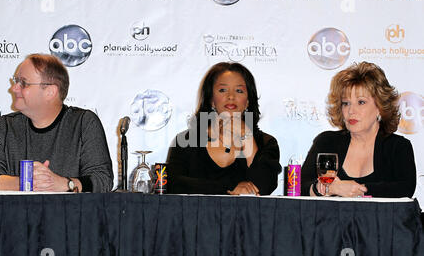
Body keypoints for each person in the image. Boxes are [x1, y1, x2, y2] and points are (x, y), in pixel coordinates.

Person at [0, 53, 113, 193]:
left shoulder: (84, 123)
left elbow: (103, 180)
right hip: (14, 214)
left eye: (23, 83)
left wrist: (65, 184)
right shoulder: (2, 127)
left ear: (50, 92)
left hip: (71, 214)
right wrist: (31, 182)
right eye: (16, 81)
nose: (14, 88)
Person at [302, 61, 416, 198]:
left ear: (380, 107)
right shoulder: (327, 142)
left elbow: (405, 189)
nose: (351, 111)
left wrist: (353, 190)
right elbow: (300, 187)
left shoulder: (398, 147)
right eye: (346, 103)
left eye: (361, 102)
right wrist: (329, 188)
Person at [167, 62, 281, 195]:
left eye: (239, 90)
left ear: (248, 100)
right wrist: (230, 188)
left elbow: (263, 187)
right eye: (222, 90)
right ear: (211, 100)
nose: (231, 97)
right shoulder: (186, 140)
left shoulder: (266, 142)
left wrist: (246, 136)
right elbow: (172, 184)